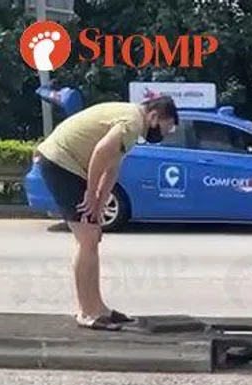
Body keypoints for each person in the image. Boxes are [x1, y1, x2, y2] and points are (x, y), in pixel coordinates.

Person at [35, 96, 179, 330]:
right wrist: (91, 195)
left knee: (93, 235)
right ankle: (86, 312)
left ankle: (98, 308)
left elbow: (112, 167)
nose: (164, 134)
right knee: (87, 239)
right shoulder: (131, 122)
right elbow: (101, 153)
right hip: (60, 162)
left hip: (69, 164)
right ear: (153, 117)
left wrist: (100, 205)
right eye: (165, 128)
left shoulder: (132, 123)